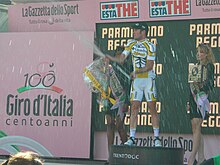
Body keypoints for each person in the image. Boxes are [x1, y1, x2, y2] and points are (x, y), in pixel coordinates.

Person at [106, 22, 162, 147]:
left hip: (147, 80)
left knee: (152, 107)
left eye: (136, 30)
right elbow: (121, 59)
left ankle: (156, 138)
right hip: (137, 81)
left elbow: (150, 65)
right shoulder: (131, 43)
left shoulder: (150, 46)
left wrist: (137, 71)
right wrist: (110, 57)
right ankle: (132, 138)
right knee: (134, 108)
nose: (133, 32)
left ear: (143, 32)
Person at [187, 43, 215, 165]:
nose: (199, 54)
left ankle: (192, 157)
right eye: (198, 52)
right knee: (195, 127)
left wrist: (201, 86)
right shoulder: (195, 67)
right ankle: (201, 157)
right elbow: (190, 84)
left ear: (206, 54)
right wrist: (188, 100)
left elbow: (210, 84)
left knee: (197, 125)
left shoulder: (209, 66)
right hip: (193, 97)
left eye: (202, 52)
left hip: (202, 98)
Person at [104, 46, 130, 164]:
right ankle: (111, 157)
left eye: (122, 54)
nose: (119, 57)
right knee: (110, 125)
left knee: (120, 126)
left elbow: (130, 87)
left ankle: (126, 153)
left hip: (122, 100)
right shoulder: (110, 68)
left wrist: (127, 102)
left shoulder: (129, 68)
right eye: (117, 54)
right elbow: (105, 82)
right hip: (110, 100)